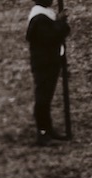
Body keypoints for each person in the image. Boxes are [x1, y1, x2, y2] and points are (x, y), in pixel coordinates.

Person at [26, 0, 71, 146]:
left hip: (50, 62)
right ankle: (43, 131)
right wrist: (61, 23)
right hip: (43, 64)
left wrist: (59, 22)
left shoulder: (45, 14)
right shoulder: (38, 17)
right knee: (43, 97)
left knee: (47, 96)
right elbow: (51, 36)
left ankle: (48, 128)